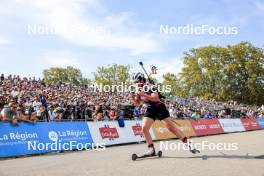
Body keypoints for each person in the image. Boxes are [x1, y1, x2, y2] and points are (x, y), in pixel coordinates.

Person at [132, 72, 199, 156]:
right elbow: (138, 103)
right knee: (144, 128)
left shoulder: (149, 86)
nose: (136, 84)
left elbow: (156, 98)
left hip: (159, 107)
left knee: (171, 128)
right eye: (135, 82)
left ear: (142, 80)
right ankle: (151, 149)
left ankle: (188, 143)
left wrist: (144, 94)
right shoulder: (137, 89)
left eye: (137, 82)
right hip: (151, 109)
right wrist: (135, 99)